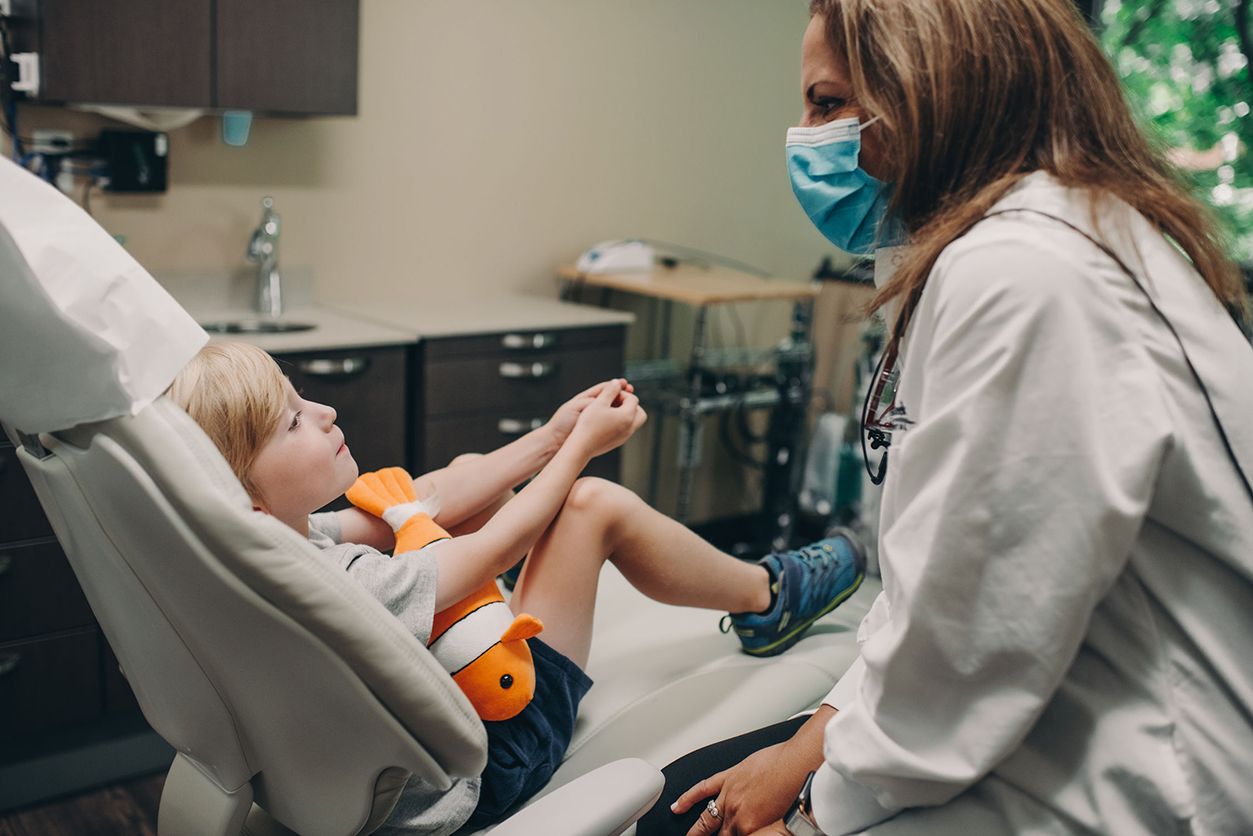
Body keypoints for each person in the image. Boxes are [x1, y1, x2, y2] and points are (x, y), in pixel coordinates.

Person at [637, 0, 1253, 834]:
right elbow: (934, 586)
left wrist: (818, 810)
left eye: (825, 104)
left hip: (1139, 776)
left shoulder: (1023, 276)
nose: (804, 135)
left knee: (671, 820)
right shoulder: (1017, 245)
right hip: (1032, 710)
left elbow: (972, 651)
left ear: (925, 93)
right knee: (681, 792)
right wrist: (812, 741)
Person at [165, 341, 866, 836]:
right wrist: (579, 449)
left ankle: (761, 590)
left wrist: (549, 433)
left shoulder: (270, 553)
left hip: (374, 773)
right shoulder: (343, 584)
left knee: (469, 479)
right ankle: (767, 598)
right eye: (293, 421)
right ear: (250, 498)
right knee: (591, 504)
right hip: (491, 768)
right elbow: (492, 547)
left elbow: (427, 496)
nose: (321, 411)